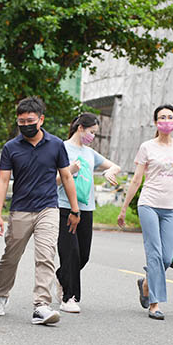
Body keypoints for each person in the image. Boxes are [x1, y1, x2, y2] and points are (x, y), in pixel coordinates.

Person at [0, 96, 81, 326]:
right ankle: (1, 295)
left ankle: (41, 305)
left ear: (41, 119)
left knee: (46, 255)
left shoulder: (55, 145)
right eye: (20, 121)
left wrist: (75, 209)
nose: (25, 125)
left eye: (29, 120)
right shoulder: (11, 147)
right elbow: (2, 182)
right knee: (11, 256)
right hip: (20, 209)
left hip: (48, 208)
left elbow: (66, 176)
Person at [117, 104, 173, 321]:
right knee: (155, 254)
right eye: (162, 117)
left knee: (166, 257)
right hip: (148, 204)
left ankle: (146, 283)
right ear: (156, 122)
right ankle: (155, 304)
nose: (166, 120)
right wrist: (123, 208)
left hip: (169, 209)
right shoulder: (147, 147)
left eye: (170, 116)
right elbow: (137, 179)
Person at [55, 113, 122, 313]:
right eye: (91, 132)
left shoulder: (90, 153)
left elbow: (115, 166)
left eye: (95, 133)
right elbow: (52, 181)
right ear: (80, 128)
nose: (92, 136)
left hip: (86, 208)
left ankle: (61, 277)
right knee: (71, 253)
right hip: (64, 206)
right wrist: (69, 170)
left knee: (83, 255)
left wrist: (111, 171)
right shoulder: (61, 148)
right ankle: (69, 297)